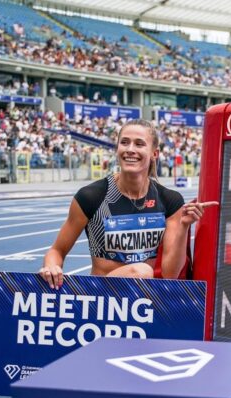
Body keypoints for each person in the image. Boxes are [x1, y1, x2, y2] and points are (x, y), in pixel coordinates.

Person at [39, 119, 218, 289]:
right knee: (142, 270)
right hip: (102, 297)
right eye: (124, 142)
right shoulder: (91, 196)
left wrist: (184, 227)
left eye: (139, 144)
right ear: (117, 149)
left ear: (154, 154)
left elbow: (170, 273)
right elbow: (57, 250)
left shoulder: (169, 200)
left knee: (143, 271)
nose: (130, 149)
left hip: (144, 301)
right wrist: (51, 267)